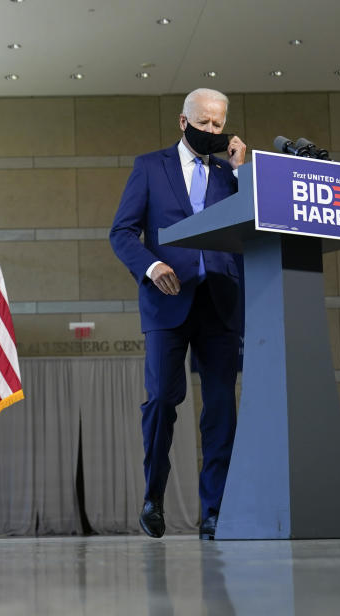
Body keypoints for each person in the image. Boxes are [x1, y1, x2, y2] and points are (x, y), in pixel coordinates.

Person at [110, 88, 246, 540]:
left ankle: (214, 512)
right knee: (163, 401)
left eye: (219, 123)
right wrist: (151, 265)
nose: (213, 130)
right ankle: (154, 497)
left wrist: (245, 173)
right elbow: (122, 232)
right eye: (204, 122)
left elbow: (257, 222)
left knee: (221, 409)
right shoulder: (150, 167)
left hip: (220, 302)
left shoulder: (232, 172)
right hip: (167, 299)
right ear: (183, 122)